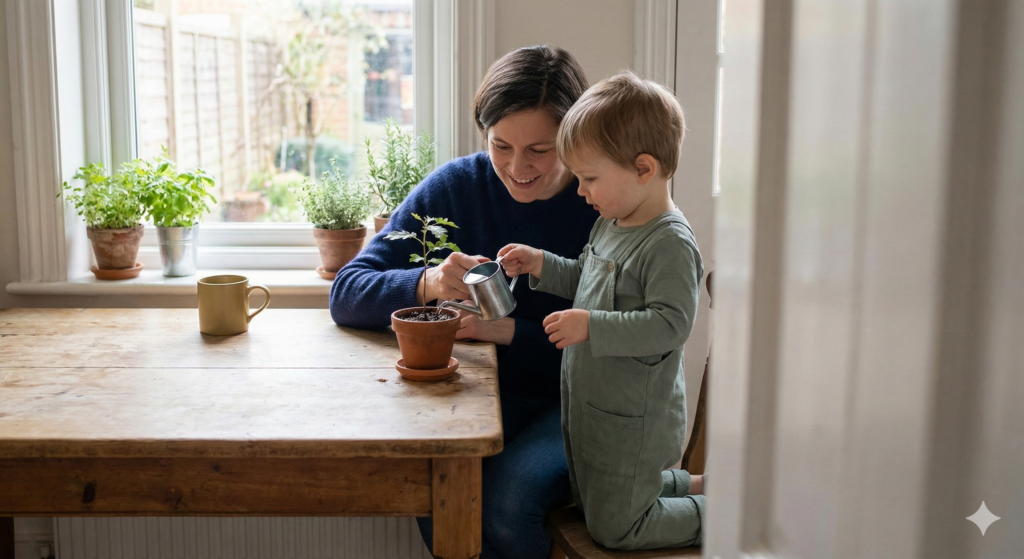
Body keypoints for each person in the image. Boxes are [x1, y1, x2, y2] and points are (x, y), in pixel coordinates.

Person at [330, 45, 598, 559]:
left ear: (573, 136)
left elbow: (618, 343)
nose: (517, 168)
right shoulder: (458, 187)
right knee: (439, 492)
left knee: (504, 504)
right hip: (478, 400)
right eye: (501, 145)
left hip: (578, 402)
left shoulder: (602, 202)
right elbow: (347, 291)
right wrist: (427, 280)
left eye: (540, 150)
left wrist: (508, 334)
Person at [496, 70, 706, 550]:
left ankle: (726, 514)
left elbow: (671, 324)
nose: (580, 191)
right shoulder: (613, 221)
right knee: (594, 501)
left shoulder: (669, 243)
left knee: (617, 527)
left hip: (633, 417)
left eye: (590, 178)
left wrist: (591, 326)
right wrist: (541, 264)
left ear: (644, 168)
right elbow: (586, 279)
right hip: (592, 406)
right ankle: (690, 487)